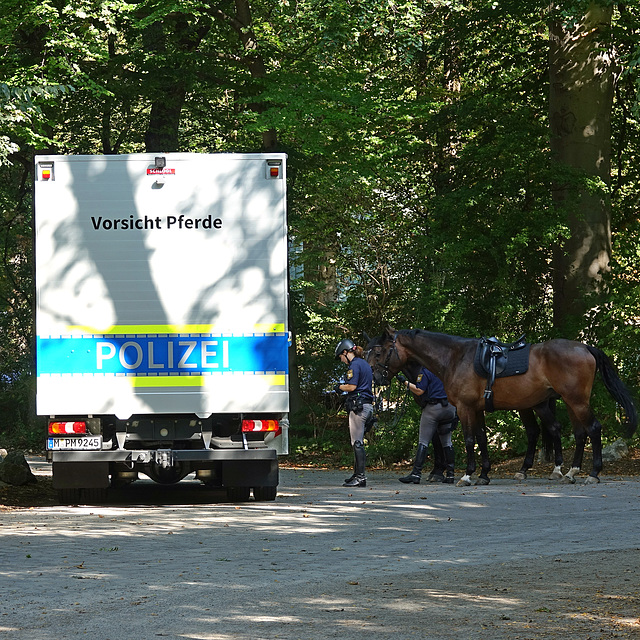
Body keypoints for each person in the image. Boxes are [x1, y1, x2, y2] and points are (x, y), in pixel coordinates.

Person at [397, 362, 457, 484]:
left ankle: (416, 473)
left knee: (423, 441)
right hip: (450, 408)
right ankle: (450, 474)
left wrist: (405, 382)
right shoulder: (447, 369)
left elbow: (419, 391)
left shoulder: (426, 370)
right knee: (447, 441)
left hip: (434, 408)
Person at [334, 338, 374, 487]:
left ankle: (360, 477)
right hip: (366, 405)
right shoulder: (364, 364)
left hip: (359, 407)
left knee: (357, 442)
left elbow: (351, 387)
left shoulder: (355, 365)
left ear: (346, 352)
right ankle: (356, 474)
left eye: (341, 357)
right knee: (357, 442)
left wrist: (339, 387)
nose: (341, 360)